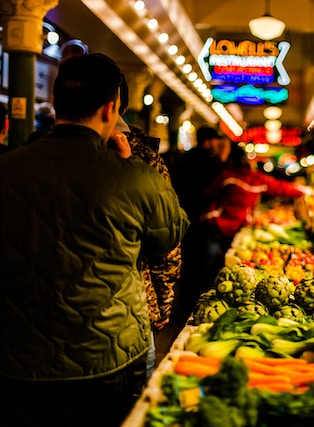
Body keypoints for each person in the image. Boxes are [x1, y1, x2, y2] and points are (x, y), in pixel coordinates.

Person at [0, 52, 189, 427]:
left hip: (18, 359)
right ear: (111, 107)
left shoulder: (6, 168)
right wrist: (129, 166)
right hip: (110, 356)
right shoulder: (137, 176)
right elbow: (167, 238)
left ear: (55, 102)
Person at [115, 75, 183, 376]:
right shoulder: (143, 162)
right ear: (113, 107)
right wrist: (163, 304)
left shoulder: (26, 158)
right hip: (127, 314)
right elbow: (165, 246)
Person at [200, 144, 311, 271]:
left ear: (230, 160)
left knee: (208, 266)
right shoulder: (256, 178)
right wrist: (304, 190)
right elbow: (279, 187)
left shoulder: (226, 176)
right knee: (220, 260)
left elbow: (208, 194)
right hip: (236, 225)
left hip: (217, 224)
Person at [172, 126, 231, 309]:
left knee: (188, 260)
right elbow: (220, 186)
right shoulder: (211, 161)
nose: (217, 145)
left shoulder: (185, 158)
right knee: (204, 264)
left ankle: (184, 301)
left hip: (184, 216)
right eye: (215, 141)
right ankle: (197, 302)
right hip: (203, 220)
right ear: (207, 142)